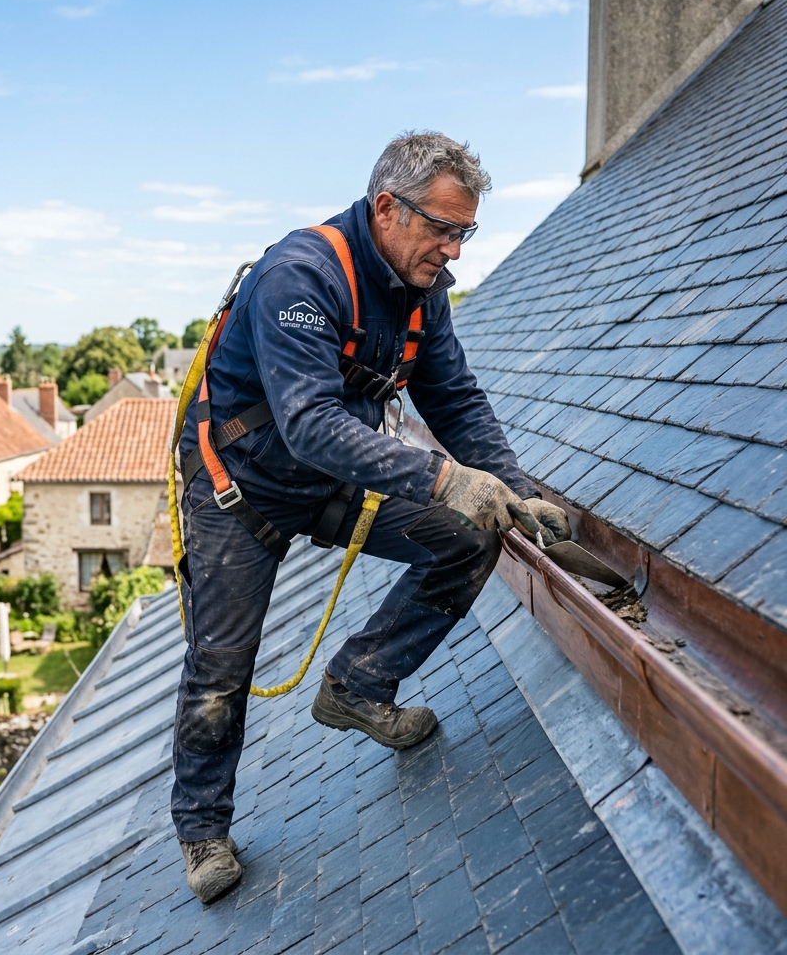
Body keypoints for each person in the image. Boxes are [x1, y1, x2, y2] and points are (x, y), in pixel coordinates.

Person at [172, 131, 571, 903]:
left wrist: (516, 492)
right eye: (444, 229)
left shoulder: (422, 289)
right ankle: (202, 827)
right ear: (387, 207)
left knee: (468, 537)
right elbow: (310, 422)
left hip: (332, 481)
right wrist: (445, 477)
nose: (455, 250)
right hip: (241, 488)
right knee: (222, 664)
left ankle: (358, 683)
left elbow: (453, 398)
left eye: (467, 232)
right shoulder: (301, 277)